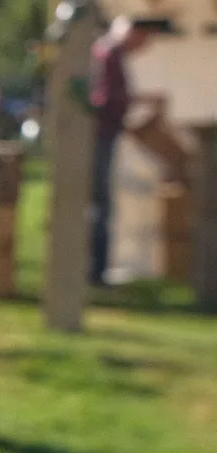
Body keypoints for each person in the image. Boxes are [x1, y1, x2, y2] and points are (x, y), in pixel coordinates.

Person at [89, 17, 170, 286]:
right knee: (99, 204)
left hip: (106, 134)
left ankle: (96, 270)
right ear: (132, 32)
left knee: (100, 203)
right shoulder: (107, 54)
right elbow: (105, 99)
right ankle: (94, 271)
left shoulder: (110, 54)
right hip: (98, 136)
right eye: (144, 38)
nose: (145, 45)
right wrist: (143, 101)